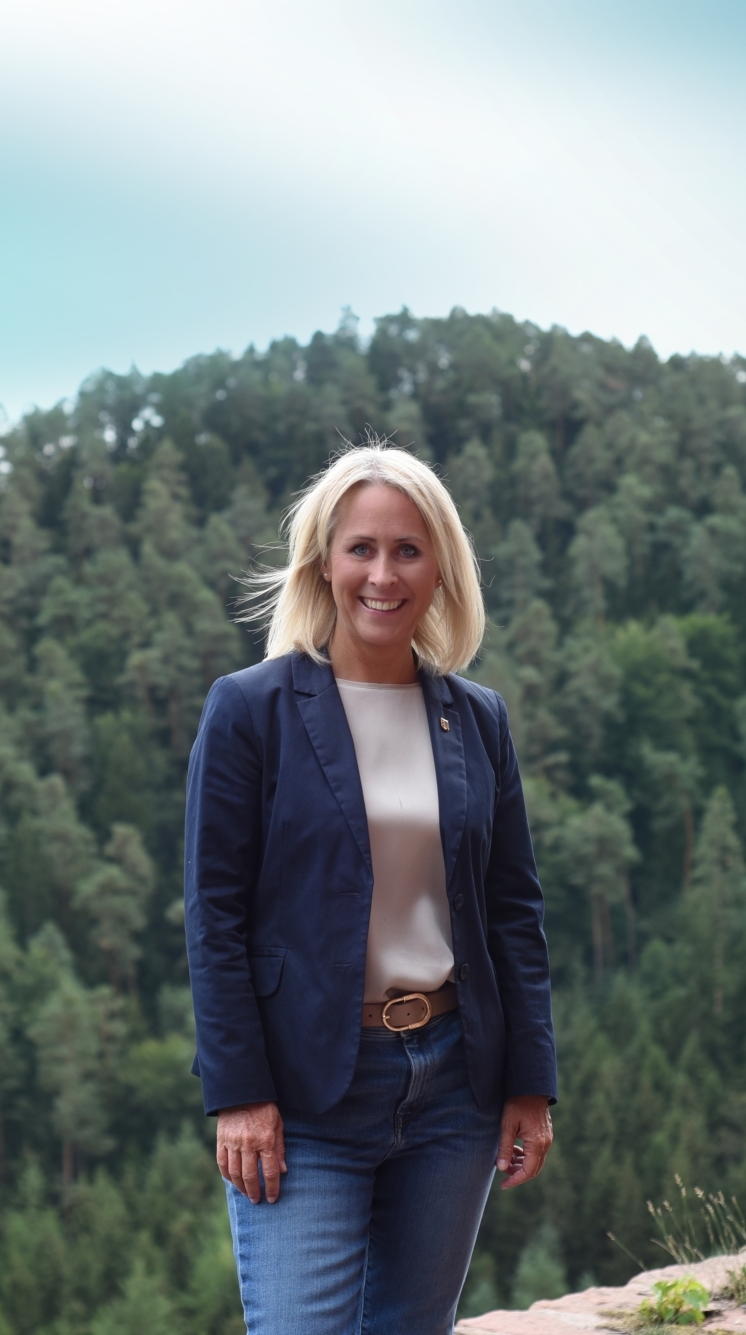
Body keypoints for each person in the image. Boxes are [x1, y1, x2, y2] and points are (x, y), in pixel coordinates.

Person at [184, 442, 558, 1334]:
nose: (383, 574)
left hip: (452, 1085)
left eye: (408, 550)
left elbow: (512, 910)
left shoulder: (477, 717)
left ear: (441, 570)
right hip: (306, 1093)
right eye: (361, 548)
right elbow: (214, 918)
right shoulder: (251, 712)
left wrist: (530, 1084)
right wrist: (239, 1093)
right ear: (323, 562)